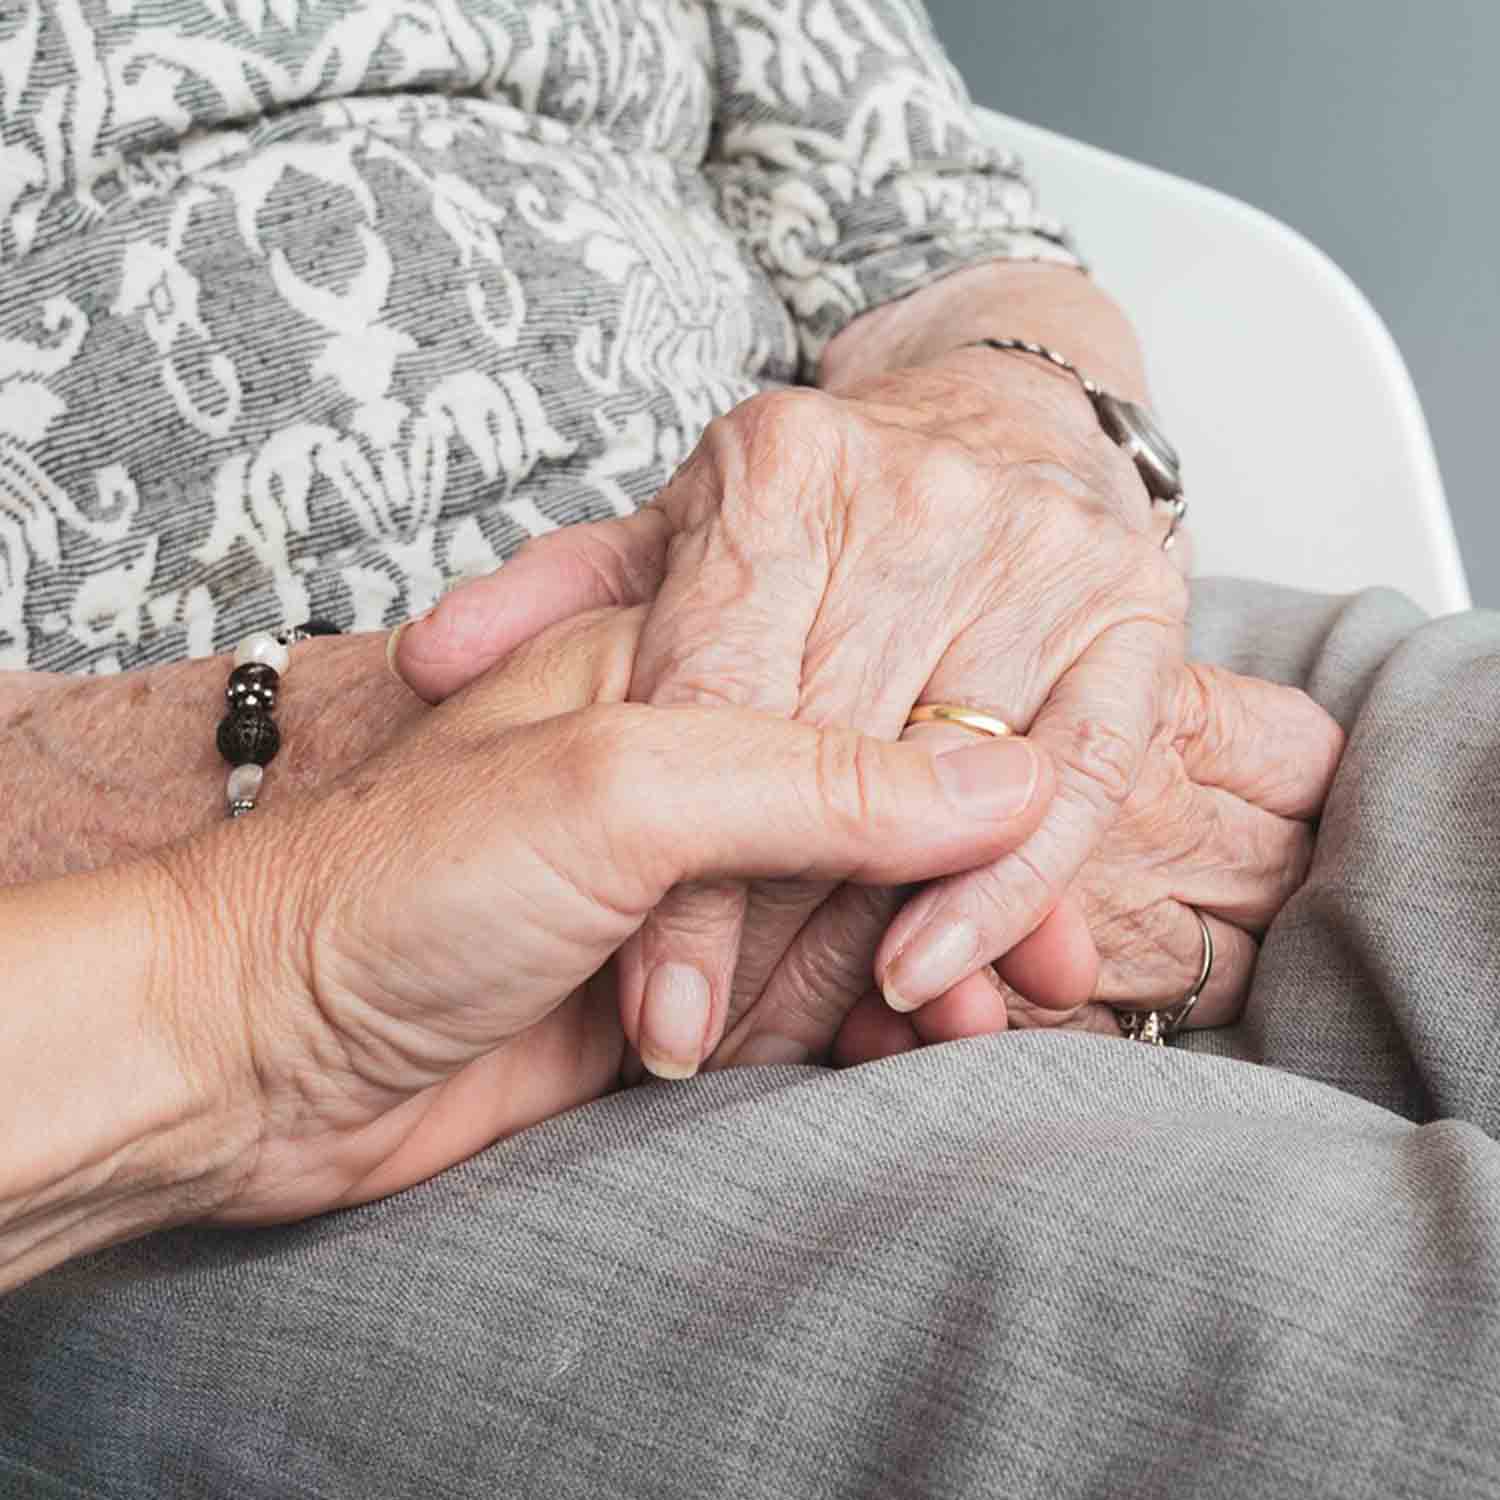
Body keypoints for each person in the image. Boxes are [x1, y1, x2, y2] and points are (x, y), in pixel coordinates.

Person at [1, 1, 1497, 1495]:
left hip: (960, 636)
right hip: (198, 981)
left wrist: (996, 473)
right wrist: (356, 765)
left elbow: (940, 235)